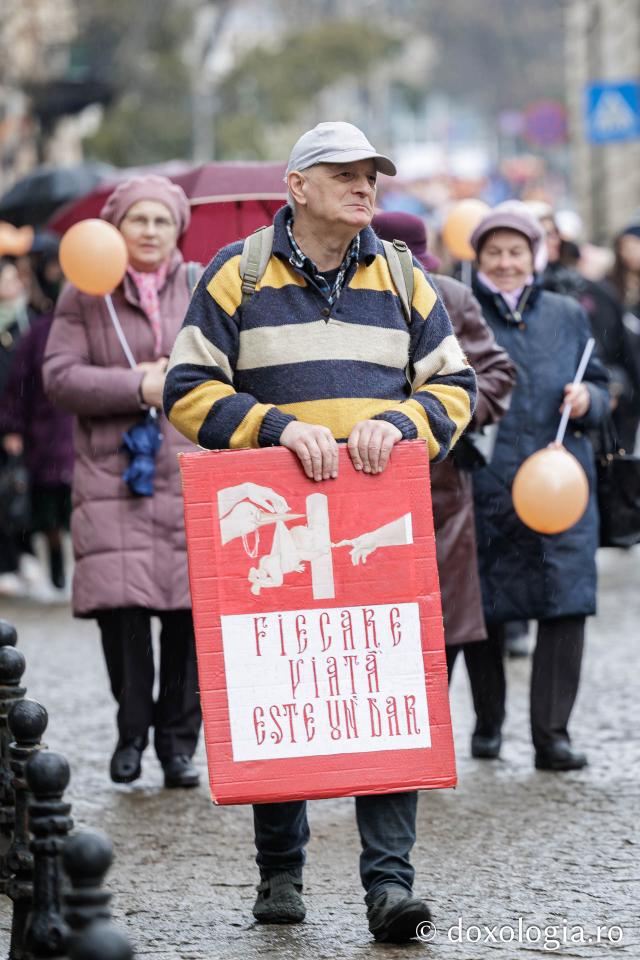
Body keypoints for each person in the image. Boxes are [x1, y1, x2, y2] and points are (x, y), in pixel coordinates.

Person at [164, 122, 477, 943]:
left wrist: (402, 423)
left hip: (378, 521)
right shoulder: (236, 274)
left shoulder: (406, 275)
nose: (364, 186)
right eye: (343, 173)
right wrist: (270, 428)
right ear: (297, 186)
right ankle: (279, 872)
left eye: (371, 173)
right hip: (274, 530)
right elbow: (187, 387)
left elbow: (454, 385)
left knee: (383, 693)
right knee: (284, 692)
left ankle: (389, 886)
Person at [43, 175, 202, 789]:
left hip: (186, 474)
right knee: (125, 613)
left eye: (162, 221)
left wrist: (179, 385)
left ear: (177, 230)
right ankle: (132, 731)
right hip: (116, 479)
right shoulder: (85, 293)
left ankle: (178, 745)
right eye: (138, 220)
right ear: (116, 227)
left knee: (189, 619)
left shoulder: (198, 287)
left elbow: (232, 368)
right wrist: (136, 385)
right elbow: (60, 377)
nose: (151, 232)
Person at [467, 204, 609, 771]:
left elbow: (599, 382)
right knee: (486, 607)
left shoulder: (566, 313)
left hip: (561, 481)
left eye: (516, 252)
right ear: (477, 258)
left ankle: (552, 736)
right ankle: (488, 723)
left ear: (536, 257)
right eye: (494, 253)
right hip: (488, 482)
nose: (505, 263)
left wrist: (589, 401)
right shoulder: (458, 310)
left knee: (565, 604)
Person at [371, 212, 516, 686]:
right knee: (371, 627)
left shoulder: (450, 296)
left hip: (439, 485)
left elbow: (496, 375)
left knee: (438, 628)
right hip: (357, 482)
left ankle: (430, 743)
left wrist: (437, 413)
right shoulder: (337, 295)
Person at [0, 235, 74, 595]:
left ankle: (66, 568)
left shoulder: (50, 328)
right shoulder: (36, 331)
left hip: (70, 431)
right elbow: (19, 385)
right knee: (49, 512)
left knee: (72, 508)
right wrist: (13, 427)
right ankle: (57, 567)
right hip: (45, 435)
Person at [0, 257, 31, 595]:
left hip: (17, 425)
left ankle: (20, 554)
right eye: (5, 278)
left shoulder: (26, 320)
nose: (13, 284)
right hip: (7, 425)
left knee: (14, 493)